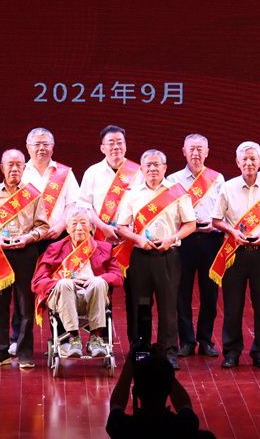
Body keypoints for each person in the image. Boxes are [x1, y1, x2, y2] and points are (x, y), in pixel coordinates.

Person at [116, 149, 196, 370]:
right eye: (148, 165)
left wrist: (173, 238)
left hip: (168, 256)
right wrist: (137, 239)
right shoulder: (132, 193)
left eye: (156, 165)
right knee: (142, 306)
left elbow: (191, 224)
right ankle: (141, 350)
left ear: (165, 168)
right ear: (141, 169)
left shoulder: (177, 192)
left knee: (168, 306)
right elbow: (122, 226)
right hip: (140, 257)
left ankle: (168, 352)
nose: (152, 169)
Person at [210, 141, 260, 369]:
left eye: (253, 159)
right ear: (237, 162)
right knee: (232, 306)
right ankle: (231, 352)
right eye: (245, 159)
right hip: (235, 252)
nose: (249, 163)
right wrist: (232, 231)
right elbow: (216, 219)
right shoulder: (228, 187)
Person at [0, 149, 50, 369]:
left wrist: (28, 238)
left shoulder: (33, 193)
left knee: (26, 305)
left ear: (24, 168)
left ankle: (25, 352)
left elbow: (43, 226)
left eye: (19, 164)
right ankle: (0, 351)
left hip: (26, 252)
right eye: (10, 164)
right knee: (0, 305)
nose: (15, 169)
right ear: (2, 167)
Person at [11, 127, 79, 354]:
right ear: (28, 147)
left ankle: (63, 338)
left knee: (60, 286)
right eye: (36, 144)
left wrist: (61, 226)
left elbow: (73, 205)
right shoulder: (20, 171)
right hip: (28, 240)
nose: (41, 148)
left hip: (57, 239)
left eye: (45, 144)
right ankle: (18, 339)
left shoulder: (65, 173)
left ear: (53, 147)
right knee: (23, 289)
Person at [79, 125, 142, 344]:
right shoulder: (92, 172)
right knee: (101, 293)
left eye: (120, 142)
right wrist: (102, 226)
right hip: (101, 241)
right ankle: (100, 341)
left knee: (136, 295)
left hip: (131, 243)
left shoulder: (138, 172)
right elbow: (84, 205)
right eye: (111, 143)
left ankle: (137, 344)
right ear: (102, 148)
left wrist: (129, 231)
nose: (116, 147)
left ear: (126, 145)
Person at [32, 208, 123, 358]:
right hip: (63, 298)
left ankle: (95, 339)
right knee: (65, 284)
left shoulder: (104, 248)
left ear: (91, 227)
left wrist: (98, 279)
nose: (79, 228)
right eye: (74, 224)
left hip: (92, 296)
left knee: (98, 283)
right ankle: (74, 338)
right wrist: (62, 282)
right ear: (67, 229)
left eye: (83, 223)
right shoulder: (55, 248)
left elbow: (118, 277)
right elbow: (37, 282)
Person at [164, 134, 224, 358]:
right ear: (184, 151)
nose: (196, 153)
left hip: (211, 240)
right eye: (192, 149)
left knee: (210, 293)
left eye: (200, 149)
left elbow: (224, 210)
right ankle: (187, 340)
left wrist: (214, 224)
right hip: (183, 241)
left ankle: (205, 340)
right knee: (182, 293)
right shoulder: (173, 179)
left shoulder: (217, 179)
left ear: (207, 152)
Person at [106, 349, 214, 439]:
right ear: (169, 389)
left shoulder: (124, 428)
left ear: (136, 391)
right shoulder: (184, 426)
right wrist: (163, 361)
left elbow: (116, 404)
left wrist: (129, 362)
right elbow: (184, 404)